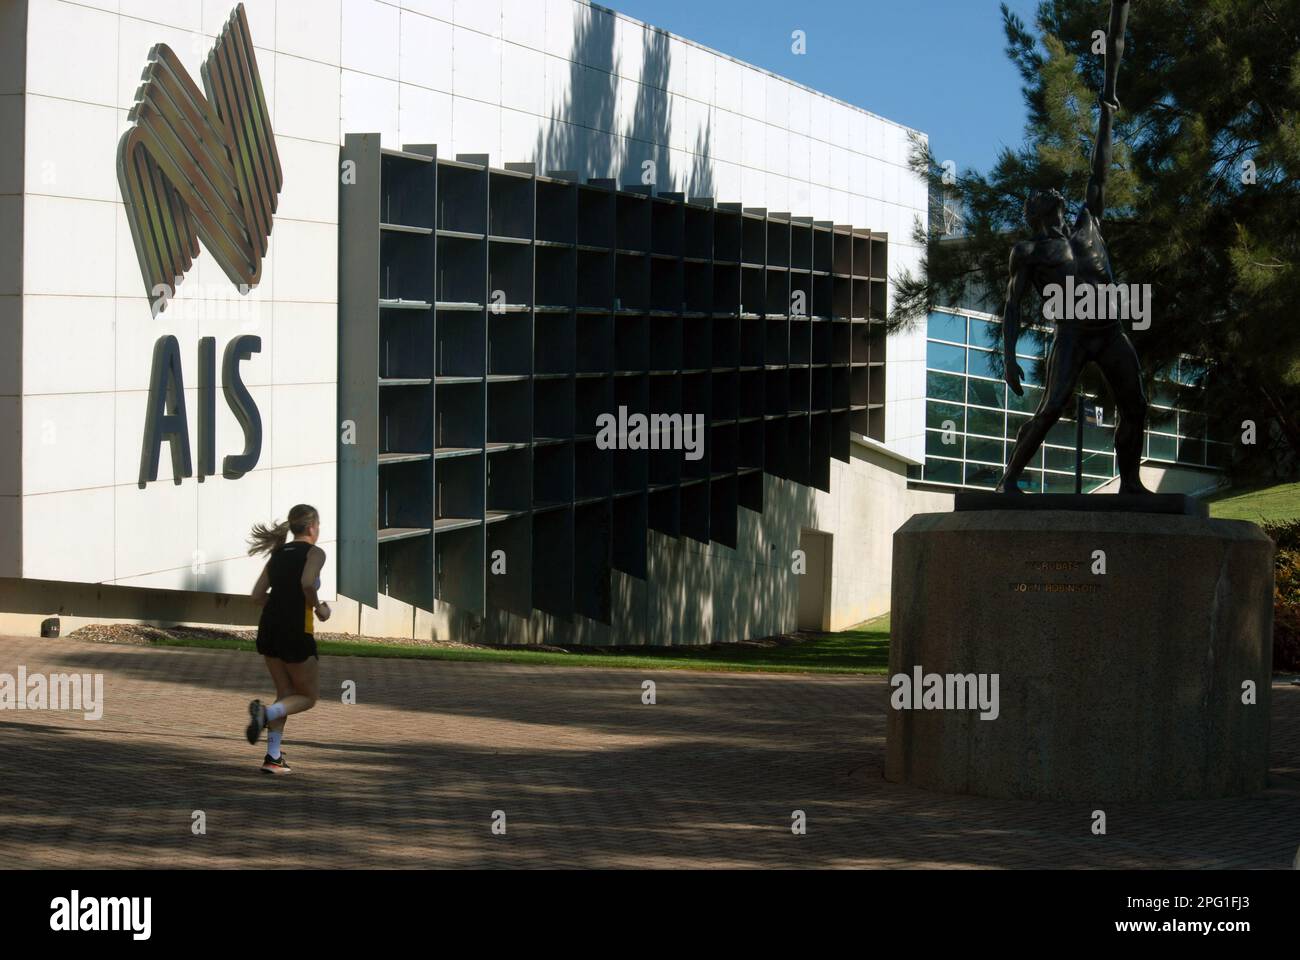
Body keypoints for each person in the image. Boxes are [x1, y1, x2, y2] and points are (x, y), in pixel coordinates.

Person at [996, 0, 1150, 495]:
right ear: (1037, 211)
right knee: (1052, 406)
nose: (1054, 190)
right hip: (1073, 334)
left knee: (1136, 405)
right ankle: (1010, 480)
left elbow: (1099, 165)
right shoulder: (1029, 251)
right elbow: (1012, 308)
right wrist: (1008, 356)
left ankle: (1129, 485)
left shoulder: (1090, 220)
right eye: (1044, 193)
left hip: (1109, 329)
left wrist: (1107, 111)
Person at [243, 504, 330, 774]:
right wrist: (318, 607)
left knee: (286, 695)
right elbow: (307, 582)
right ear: (313, 526)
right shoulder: (315, 552)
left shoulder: (278, 553)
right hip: (296, 630)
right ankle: (265, 714)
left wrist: (280, 603)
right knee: (307, 697)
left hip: (269, 626)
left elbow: (257, 595)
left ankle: (273, 757)